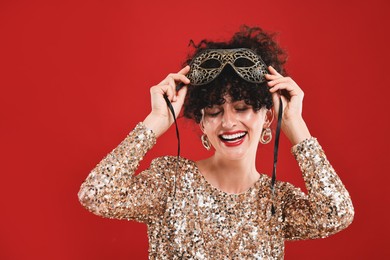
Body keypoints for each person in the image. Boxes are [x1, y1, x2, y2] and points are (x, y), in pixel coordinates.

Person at [78, 26, 354, 259]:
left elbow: (337, 214)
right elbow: (97, 194)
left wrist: (295, 125)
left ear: (267, 114)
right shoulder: (171, 182)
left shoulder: (277, 201)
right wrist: (157, 120)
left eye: (243, 107)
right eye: (214, 111)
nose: (229, 123)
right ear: (201, 122)